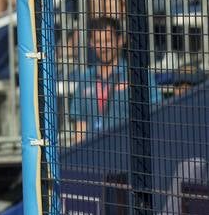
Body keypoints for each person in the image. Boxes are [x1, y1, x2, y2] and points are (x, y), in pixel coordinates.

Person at [64, 15, 159, 144]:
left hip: (127, 149)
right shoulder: (85, 78)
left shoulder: (138, 75)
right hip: (93, 152)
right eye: (98, 42)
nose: (103, 48)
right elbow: (80, 127)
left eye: (108, 41)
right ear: (91, 44)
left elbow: (155, 114)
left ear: (120, 40)